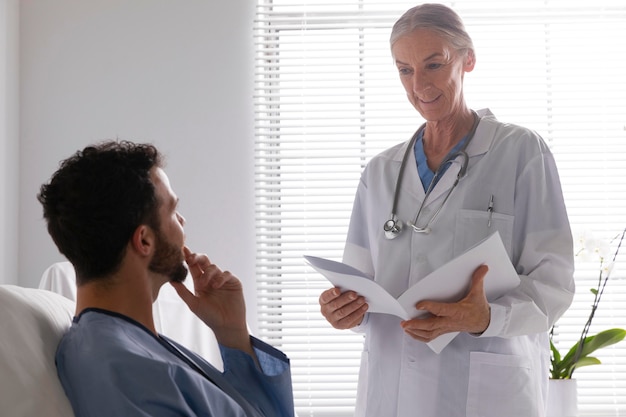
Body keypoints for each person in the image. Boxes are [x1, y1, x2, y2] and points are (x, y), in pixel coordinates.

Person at [318, 4, 575, 417]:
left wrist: (487, 317)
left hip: (487, 394)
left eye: (434, 64)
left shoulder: (521, 152)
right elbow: (361, 286)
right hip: (392, 389)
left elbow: (554, 284)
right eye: (404, 70)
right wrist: (345, 310)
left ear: (467, 60)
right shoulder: (380, 172)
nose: (419, 84)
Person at [38, 140, 294, 417]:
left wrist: (232, 334)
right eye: (172, 210)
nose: (182, 222)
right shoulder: (122, 368)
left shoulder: (137, 346)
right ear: (144, 240)